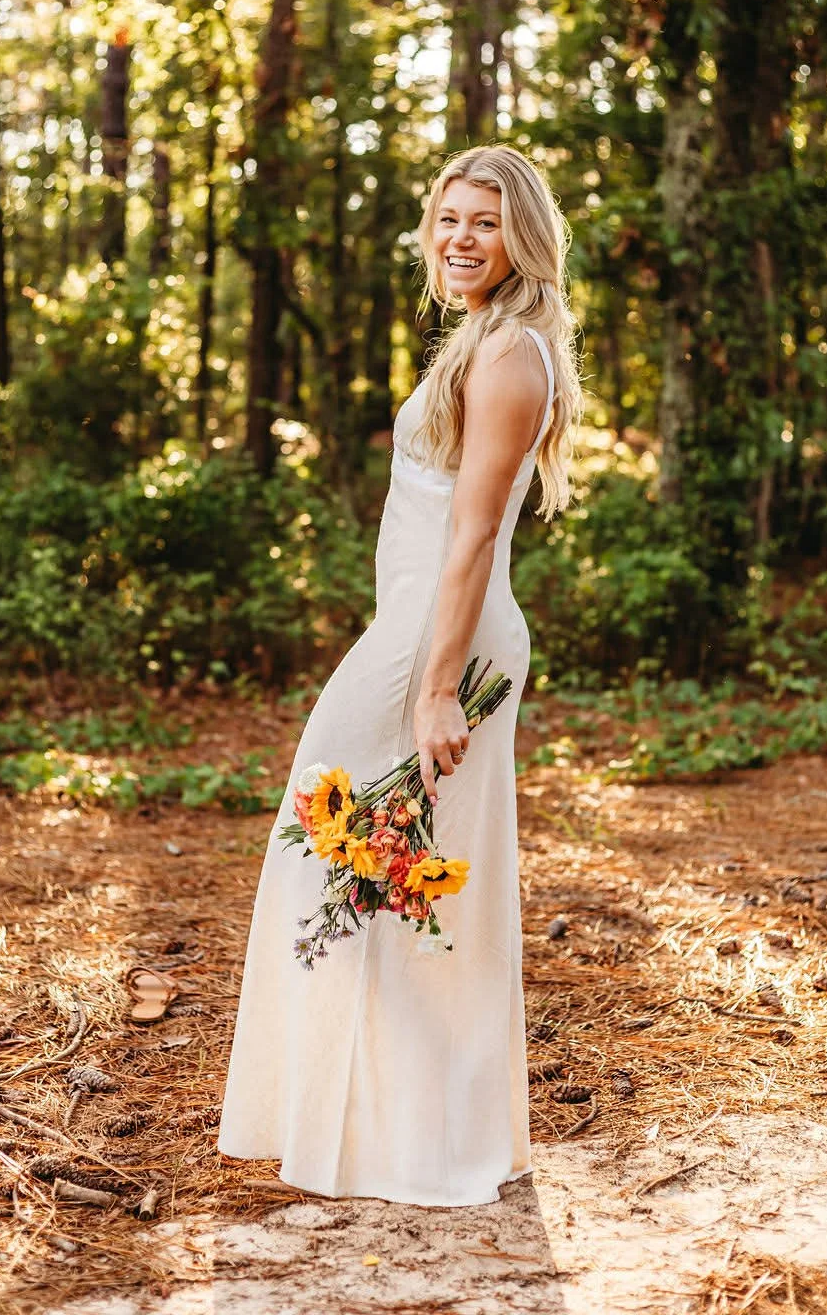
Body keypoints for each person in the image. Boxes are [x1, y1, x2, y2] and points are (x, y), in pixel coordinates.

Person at [218, 144, 584, 1207]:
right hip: (415, 630)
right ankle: (365, 1125)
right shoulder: (479, 339)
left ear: (523, 236)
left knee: (366, 863)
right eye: (448, 218)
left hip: (442, 645)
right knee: (365, 870)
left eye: (485, 221)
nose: (461, 238)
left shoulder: (512, 354)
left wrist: (430, 689)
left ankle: (414, 1136)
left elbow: (470, 538)